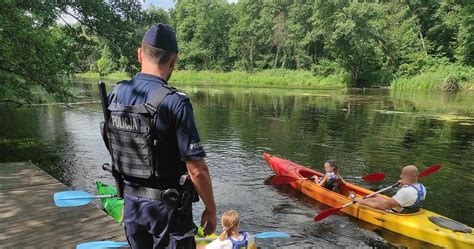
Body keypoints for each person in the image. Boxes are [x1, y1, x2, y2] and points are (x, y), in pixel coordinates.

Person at [102, 23, 216, 248]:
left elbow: (111, 140)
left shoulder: (114, 95)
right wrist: (211, 210)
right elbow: (197, 170)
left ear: (139, 54)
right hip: (167, 212)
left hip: (131, 205)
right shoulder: (175, 102)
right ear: (173, 60)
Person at [354, 165, 426, 214]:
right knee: (378, 197)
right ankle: (362, 199)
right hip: (411, 210)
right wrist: (404, 184)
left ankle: (356, 199)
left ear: (412, 176)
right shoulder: (422, 187)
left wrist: (360, 202)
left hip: (398, 213)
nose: (400, 176)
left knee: (371, 202)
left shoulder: (405, 191)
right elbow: (408, 198)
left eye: (403, 174)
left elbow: (383, 207)